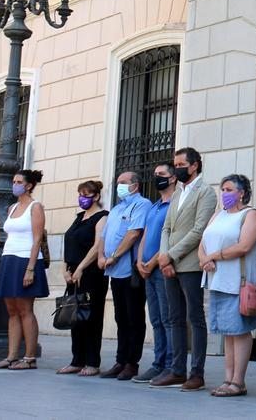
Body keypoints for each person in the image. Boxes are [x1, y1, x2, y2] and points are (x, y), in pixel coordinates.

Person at [152, 146, 217, 391]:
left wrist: (170, 255)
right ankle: (177, 370)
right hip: (169, 262)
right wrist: (163, 256)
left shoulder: (206, 192)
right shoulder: (178, 193)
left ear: (194, 165)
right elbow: (167, 228)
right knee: (174, 317)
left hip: (190, 264)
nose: (177, 168)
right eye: (175, 164)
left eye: (181, 164)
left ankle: (196, 373)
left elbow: (199, 230)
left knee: (195, 317)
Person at [199, 174, 256, 398]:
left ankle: (238, 381)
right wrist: (203, 258)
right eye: (222, 189)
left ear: (242, 192)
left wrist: (214, 256)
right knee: (227, 332)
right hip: (217, 280)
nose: (224, 193)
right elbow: (203, 240)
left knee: (239, 330)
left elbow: (244, 246)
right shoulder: (218, 215)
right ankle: (228, 378)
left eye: (229, 189)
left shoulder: (250, 214)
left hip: (238, 280)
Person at [0, 168, 48, 370]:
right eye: (13, 181)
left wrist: (31, 268)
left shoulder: (35, 207)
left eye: (18, 181)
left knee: (25, 309)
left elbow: (37, 238)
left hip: (26, 259)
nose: (14, 184)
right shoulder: (12, 208)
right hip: (9, 258)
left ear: (29, 185)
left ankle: (29, 357)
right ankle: (11, 355)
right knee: (12, 310)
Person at [98, 171, 152, 381]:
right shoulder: (116, 209)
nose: (119, 186)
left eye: (123, 183)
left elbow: (133, 233)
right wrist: (101, 256)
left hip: (130, 271)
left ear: (135, 186)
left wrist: (114, 256)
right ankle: (120, 360)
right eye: (118, 182)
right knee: (120, 317)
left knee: (134, 317)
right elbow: (104, 235)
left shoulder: (142, 204)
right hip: (114, 271)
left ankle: (132, 362)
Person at [56, 180, 110, 376]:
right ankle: (76, 359)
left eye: (86, 195)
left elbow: (97, 246)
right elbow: (68, 243)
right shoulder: (78, 217)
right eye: (80, 194)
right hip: (73, 273)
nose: (82, 199)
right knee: (74, 315)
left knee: (91, 316)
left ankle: (92, 362)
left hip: (91, 273)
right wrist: (65, 269)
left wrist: (80, 268)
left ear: (96, 196)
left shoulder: (102, 217)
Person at [132, 162, 176, 383]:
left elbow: (172, 238)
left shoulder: (175, 205)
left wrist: (152, 261)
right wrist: (140, 261)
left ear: (173, 178)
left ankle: (170, 365)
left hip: (162, 267)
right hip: (147, 270)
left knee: (168, 319)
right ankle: (158, 364)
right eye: (155, 174)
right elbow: (146, 235)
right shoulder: (154, 206)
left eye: (162, 174)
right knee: (156, 319)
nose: (157, 177)